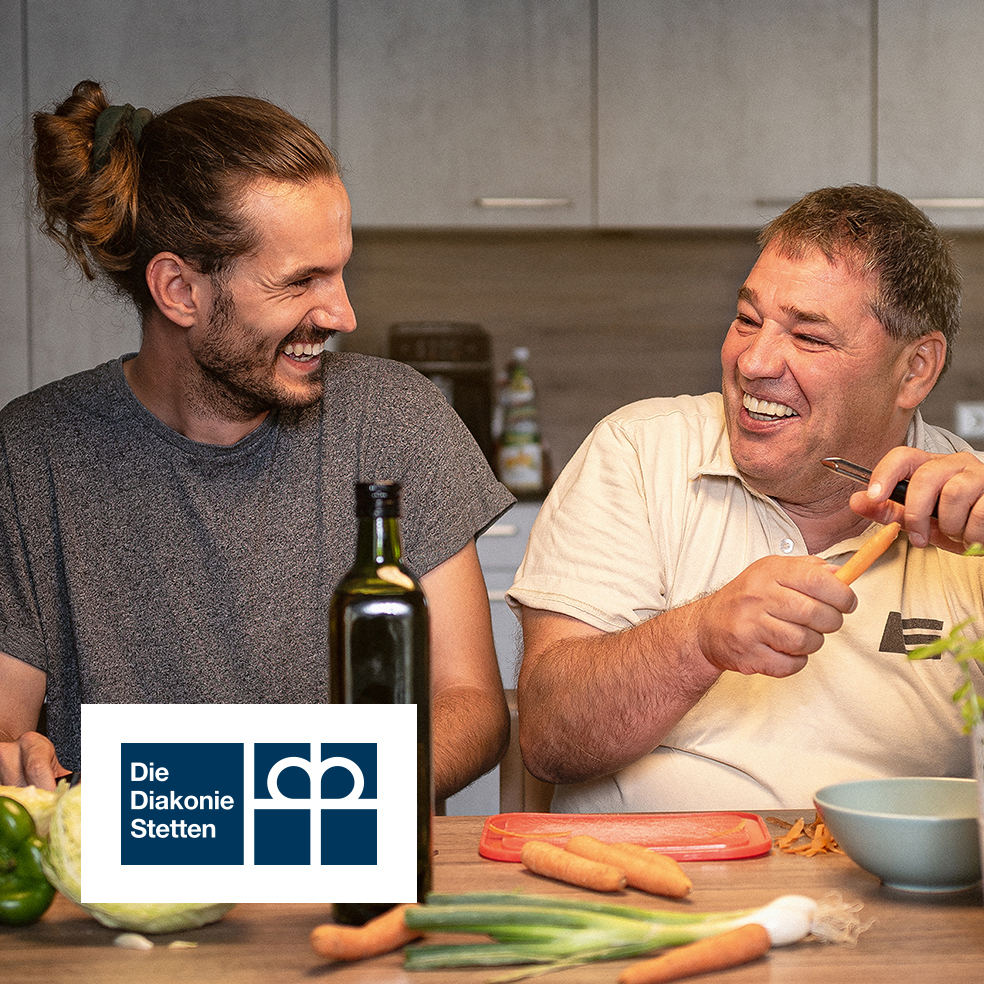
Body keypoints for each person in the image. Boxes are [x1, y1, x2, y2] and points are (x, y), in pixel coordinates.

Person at [0, 80, 514, 799]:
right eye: (301, 281)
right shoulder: (30, 460)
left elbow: (471, 705)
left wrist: (312, 805)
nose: (343, 313)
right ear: (181, 291)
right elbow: (6, 729)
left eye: (340, 271)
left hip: (346, 869)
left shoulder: (397, 420)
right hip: (128, 898)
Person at [509, 184, 984, 813]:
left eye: (809, 338)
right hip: (645, 886)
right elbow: (549, 739)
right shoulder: (638, 453)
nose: (754, 362)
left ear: (915, 369)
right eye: (747, 320)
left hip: (896, 897)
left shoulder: (972, 508)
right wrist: (698, 637)